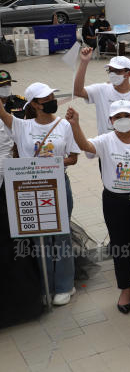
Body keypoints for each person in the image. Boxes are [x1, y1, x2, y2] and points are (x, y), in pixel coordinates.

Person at [67, 100, 130, 313]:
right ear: (111, 121)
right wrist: (75, 125)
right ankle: (125, 289)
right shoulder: (105, 140)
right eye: (118, 117)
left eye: (126, 116)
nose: (123, 120)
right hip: (115, 201)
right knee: (119, 247)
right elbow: (86, 146)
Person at [0, 83, 80, 306]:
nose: (51, 100)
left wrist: (51, 164)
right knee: (39, 237)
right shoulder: (21, 126)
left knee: (61, 235)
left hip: (58, 184)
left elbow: (73, 158)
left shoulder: (64, 125)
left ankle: (66, 285)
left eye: (53, 96)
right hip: (29, 187)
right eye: (45, 98)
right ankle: (48, 284)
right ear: (34, 104)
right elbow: (2, 112)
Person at [74, 50, 130, 134]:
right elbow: (78, 91)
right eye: (110, 71)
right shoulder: (101, 90)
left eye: (117, 71)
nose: (113, 74)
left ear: (129, 74)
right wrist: (84, 62)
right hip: (108, 145)